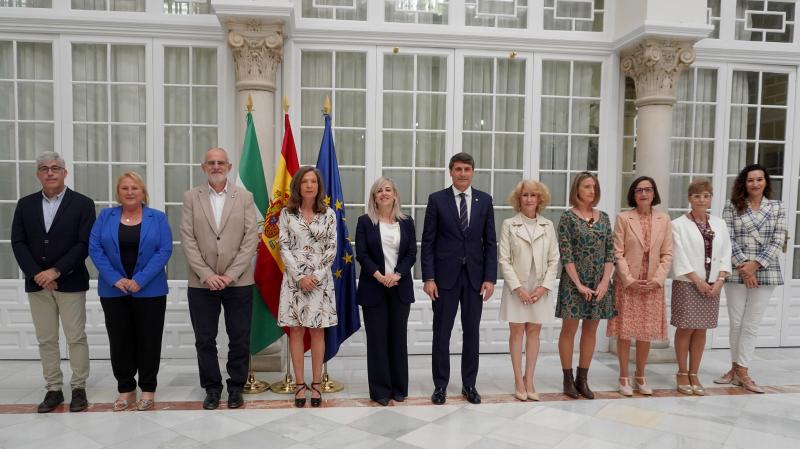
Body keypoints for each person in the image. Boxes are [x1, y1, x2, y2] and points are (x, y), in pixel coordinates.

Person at [11, 151, 95, 413]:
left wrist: (56, 271)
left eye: (55, 168)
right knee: (46, 339)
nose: (50, 172)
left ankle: (78, 388)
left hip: (70, 281)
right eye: (44, 168)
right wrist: (38, 273)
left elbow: (84, 243)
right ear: (38, 174)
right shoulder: (25, 204)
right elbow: (18, 242)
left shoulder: (83, 203)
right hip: (37, 284)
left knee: (76, 337)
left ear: (65, 173)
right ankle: (54, 389)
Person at [181, 148, 259, 410]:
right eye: (211, 163)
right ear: (204, 167)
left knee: (239, 338)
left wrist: (230, 275)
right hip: (201, 283)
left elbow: (251, 238)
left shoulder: (244, 197)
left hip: (238, 281)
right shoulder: (191, 197)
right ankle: (212, 388)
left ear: (229, 166)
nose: (216, 167)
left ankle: (236, 387)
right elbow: (188, 239)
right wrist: (207, 275)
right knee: (205, 339)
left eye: (220, 162)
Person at [89, 172, 172, 411]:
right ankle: (126, 389)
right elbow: (95, 249)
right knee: (120, 340)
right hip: (113, 291)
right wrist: (116, 279)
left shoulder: (157, 217)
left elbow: (164, 250)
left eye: (135, 188)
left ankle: (148, 389)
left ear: (143, 192)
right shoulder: (105, 216)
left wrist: (140, 280)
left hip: (150, 291)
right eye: (124, 188)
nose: (130, 192)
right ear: (118, 192)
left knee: (149, 340)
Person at [421, 152, 497, 405]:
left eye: (467, 169)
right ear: (451, 172)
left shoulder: (484, 200)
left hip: (475, 278)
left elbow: (490, 242)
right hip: (444, 279)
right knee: (441, 333)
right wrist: (429, 277)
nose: (462, 173)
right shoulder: (437, 200)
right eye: (458, 169)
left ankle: (469, 385)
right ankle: (440, 385)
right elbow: (428, 242)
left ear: (472, 172)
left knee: (472, 332)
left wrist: (490, 278)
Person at [715, 164, 786, 393]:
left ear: (766, 182)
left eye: (759, 179)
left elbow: (778, 239)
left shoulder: (777, 207)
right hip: (737, 269)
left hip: (765, 270)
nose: (755, 184)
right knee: (736, 323)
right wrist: (744, 266)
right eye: (750, 180)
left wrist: (755, 266)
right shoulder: (732, 206)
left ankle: (743, 371)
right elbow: (727, 238)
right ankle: (735, 368)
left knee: (751, 324)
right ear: (744, 183)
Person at [278, 166, 337, 408]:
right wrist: (300, 276)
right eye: (305, 181)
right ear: (298, 186)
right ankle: (300, 384)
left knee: (317, 331)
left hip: (320, 281)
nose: (309, 185)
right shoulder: (287, 213)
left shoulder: (329, 214)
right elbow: (283, 246)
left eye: (313, 181)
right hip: (294, 280)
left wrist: (316, 276)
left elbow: (332, 248)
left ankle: (317, 385)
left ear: (318, 186)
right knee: (296, 330)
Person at [607, 176, 673, 397]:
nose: (644, 194)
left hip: (652, 285)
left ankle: (641, 376)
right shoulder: (623, 218)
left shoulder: (664, 219)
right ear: (633, 195)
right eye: (639, 190)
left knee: (646, 332)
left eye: (648, 189)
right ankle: (623, 376)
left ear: (654, 194)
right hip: (628, 285)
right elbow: (617, 252)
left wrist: (657, 279)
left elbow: (668, 253)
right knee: (625, 332)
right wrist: (629, 280)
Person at [355, 177, 417, 406]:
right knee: (377, 340)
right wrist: (380, 276)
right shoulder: (365, 222)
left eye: (388, 189)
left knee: (398, 339)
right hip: (374, 287)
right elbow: (362, 254)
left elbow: (411, 253)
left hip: (400, 287)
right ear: (374, 197)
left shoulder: (407, 222)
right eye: (379, 190)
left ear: (395, 194)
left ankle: (399, 388)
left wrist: (398, 274)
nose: (384, 193)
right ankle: (380, 390)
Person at [498, 180, 559, 401]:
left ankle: (529, 379)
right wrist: (518, 288)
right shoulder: (509, 224)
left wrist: (544, 287)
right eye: (525, 195)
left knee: (534, 332)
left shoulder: (548, 225)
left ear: (540, 199)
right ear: (519, 198)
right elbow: (504, 260)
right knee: (516, 333)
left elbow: (554, 259)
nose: (529, 199)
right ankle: (518, 380)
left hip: (539, 288)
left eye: (533, 195)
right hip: (517, 287)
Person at [556, 171, 615, 399]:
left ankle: (583, 379)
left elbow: (610, 252)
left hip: (599, 283)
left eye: (594, 187)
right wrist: (578, 284)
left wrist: (604, 282)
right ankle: (568, 379)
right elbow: (566, 253)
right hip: (574, 283)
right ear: (577, 190)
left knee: (591, 329)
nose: (592, 190)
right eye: (587, 186)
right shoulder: (568, 218)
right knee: (569, 330)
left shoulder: (604, 218)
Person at [670, 178, 731, 396]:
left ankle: (694, 373)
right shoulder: (678, 225)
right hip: (688, 283)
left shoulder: (720, 224)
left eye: (706, 195)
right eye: (697, 196)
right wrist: (698, 281)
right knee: (686, 327)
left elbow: (726, 252)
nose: (701, 200)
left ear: (711, 198)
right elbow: (679, 255)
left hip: (713, 284)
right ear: (689, 198)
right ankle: (682, 372)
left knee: (701, 329)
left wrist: (720, 280)